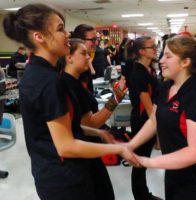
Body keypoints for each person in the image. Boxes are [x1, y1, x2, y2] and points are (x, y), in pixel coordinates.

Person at [3, 4, 137, 200]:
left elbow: (68, 127)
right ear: (39, 37)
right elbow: (65, 146)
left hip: (56, 173)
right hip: (62, 179)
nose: (67, 34)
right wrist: (119, 148)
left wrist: (98, 132)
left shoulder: (44, 73)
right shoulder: (47, 81)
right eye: (60, 29)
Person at [126, 35, 196, 200]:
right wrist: (130, 145)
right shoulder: (165, 87)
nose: (161, 60)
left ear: (186, 62)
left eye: (168, 56)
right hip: (174, 169)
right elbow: (153, 120)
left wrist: (148, 162)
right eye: (162, 54)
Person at [57, 38, 128, 200]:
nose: (88, 57)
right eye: (83, 53)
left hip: (88, 148)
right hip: (83, 152)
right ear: (69, 58)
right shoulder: (69, 85)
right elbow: (90, 123)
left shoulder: (75, 82)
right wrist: (115, 100)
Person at [127, 36, 161, 200]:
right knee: (140, 162)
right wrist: (158, 134)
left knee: (143, 160)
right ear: (141, 52)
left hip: (148, 121)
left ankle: (143, 194)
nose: (155, 49)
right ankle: (141, 196)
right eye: (151, 47)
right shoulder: (138, 73)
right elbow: (148, 107)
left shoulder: (148, 70)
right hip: (143, 123)